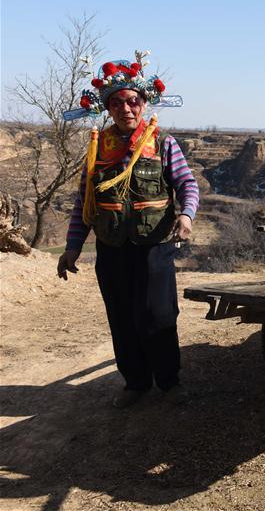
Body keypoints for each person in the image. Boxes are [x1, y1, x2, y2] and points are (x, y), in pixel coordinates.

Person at [57, 57, 199, 409]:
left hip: (154, 248)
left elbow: (187, 185)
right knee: (122, 317)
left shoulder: (163, 143)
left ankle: (169, 381)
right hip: (112, 249)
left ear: (144, 103)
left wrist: (186, 216)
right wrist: (73, 247)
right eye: (117, 102)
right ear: (108, 108)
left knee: (158, 315)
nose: (126, 108)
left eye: (133, 101)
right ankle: (136, 382)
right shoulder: (97, 149)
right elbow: (84, 204)